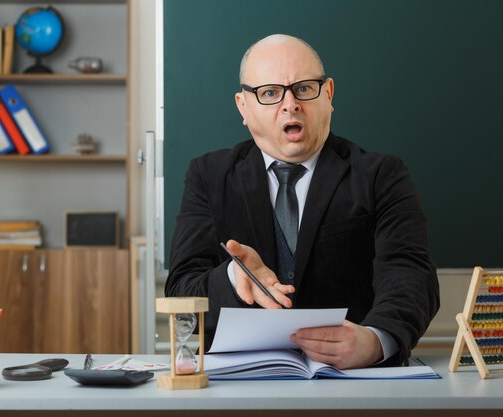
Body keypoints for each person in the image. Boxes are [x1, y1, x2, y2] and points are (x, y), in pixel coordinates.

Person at [165, 34, 440, 369]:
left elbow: (410, 273)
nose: (290, 104)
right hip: (240, 385)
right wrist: (235, 281)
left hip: (355, 382)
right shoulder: (208, 176)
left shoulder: (383, 174)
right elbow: (181, 293)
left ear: (328, 94)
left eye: (305, 89)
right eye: (269, 93)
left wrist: (375, 339)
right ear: (243, 106)